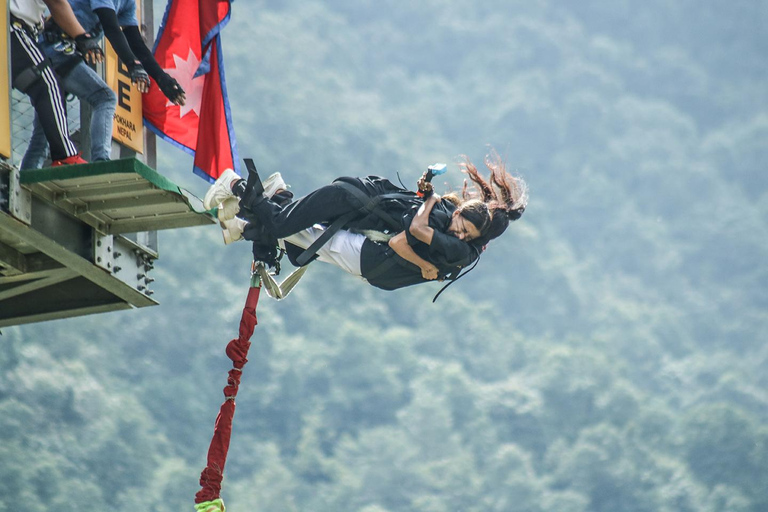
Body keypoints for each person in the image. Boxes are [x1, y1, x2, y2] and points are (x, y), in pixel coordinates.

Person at [205, 154, 527, 291]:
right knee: (282, 227)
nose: (459, 233)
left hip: (355, 215)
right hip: (350, 198)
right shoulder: (440, 218)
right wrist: (429, 202)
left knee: (299, 237)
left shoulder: (447, 226)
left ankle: (252, 217)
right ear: (460, 214)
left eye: (466, 234)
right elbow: (404, 238)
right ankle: (235, 185)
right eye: (462, 226)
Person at [21, 0, 186, 168]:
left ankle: (24, 183)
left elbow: (136, 43)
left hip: (64, 53)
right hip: (54, 49)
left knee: (43, 136)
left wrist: (162, 78)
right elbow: (110, 26)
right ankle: (101, 161)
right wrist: (132, 64)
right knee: (104, 97)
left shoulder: (127, 3)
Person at [10, 0, 100, 166]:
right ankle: (66, 156)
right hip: (12, 27)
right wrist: (83, 38)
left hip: (15, 26)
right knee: (48, 83)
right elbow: (57, 3)